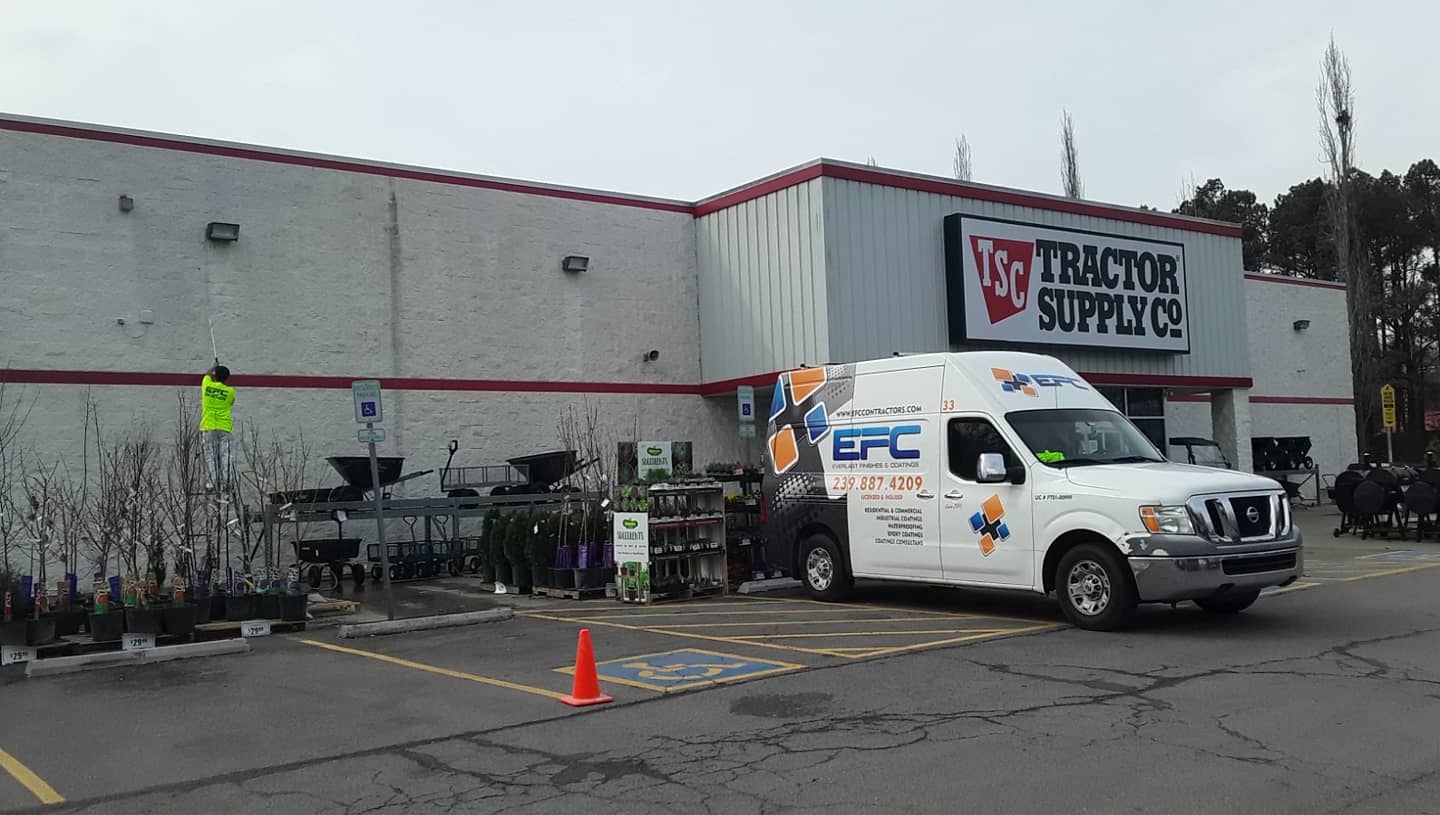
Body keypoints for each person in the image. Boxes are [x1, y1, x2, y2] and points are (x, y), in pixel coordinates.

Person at [199, 363, 236, 491]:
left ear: (214, 375)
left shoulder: (207, 385)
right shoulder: (230, 391)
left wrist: (214, 367)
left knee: (210, 457)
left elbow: (206, 375)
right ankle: (227, 483)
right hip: (225, 428)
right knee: (226, 456)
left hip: (209, 427)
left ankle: (212, 483)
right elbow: (231, 402)